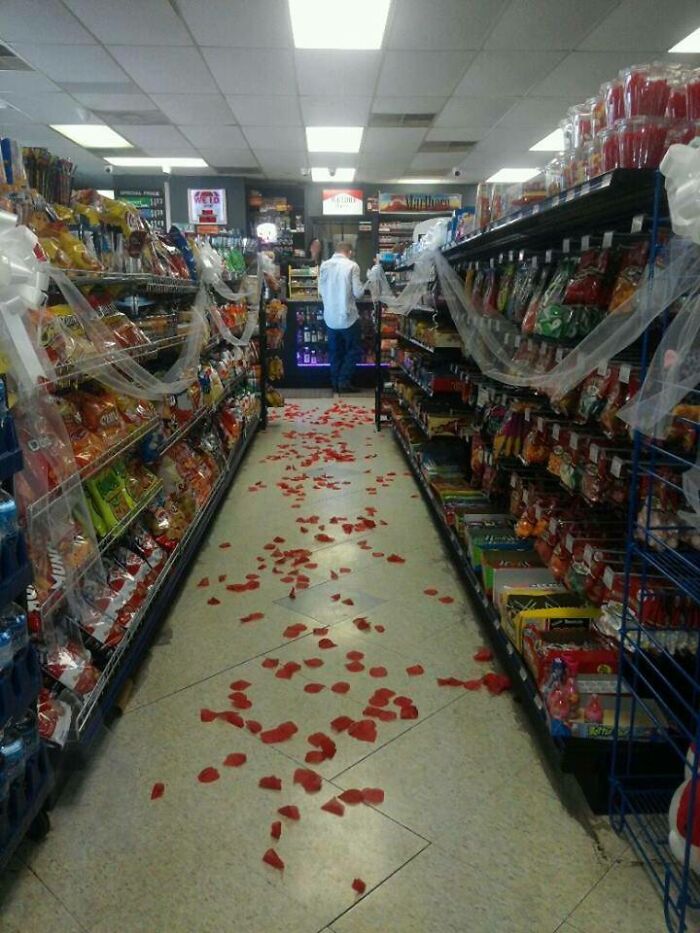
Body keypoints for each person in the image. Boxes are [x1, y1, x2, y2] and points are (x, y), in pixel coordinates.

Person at [318, 241, 365, 393]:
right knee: (354, 350)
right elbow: (358, 293)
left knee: (334, 351)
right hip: (348, 317)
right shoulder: (352, 266)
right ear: (349, 252)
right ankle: (343, 381)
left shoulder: (324, 265)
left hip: (330, 317)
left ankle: (335, 383)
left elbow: (320, 290)